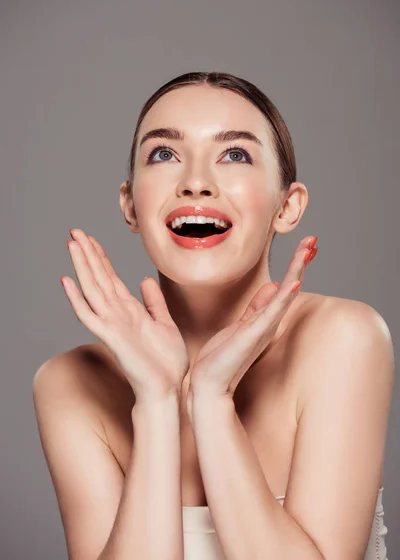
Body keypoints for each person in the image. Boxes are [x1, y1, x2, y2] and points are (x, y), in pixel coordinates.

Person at [33, 72, 393, 560]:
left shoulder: (344, 339)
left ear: (287, 207)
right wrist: (158, 403)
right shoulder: (69, 383)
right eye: (163, 154)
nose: (196, 183)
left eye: (235, 155)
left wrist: (211, 399)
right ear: (130, 205)